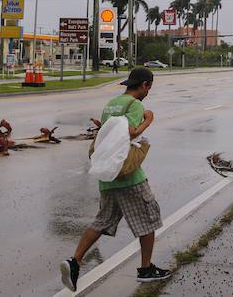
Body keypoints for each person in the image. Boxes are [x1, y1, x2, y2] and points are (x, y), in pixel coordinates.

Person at [60, 67, 171, 291]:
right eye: (148, 87)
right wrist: (148, 120)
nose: (148, 92)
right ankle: (146, 269)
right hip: (128, 175)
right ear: (145, 85)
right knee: (148, 218)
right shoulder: (137, 105)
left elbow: (108, 132)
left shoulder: (112, 104)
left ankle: (74, 261)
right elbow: (129, 132)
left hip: (107, 174)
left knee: (102, 221)